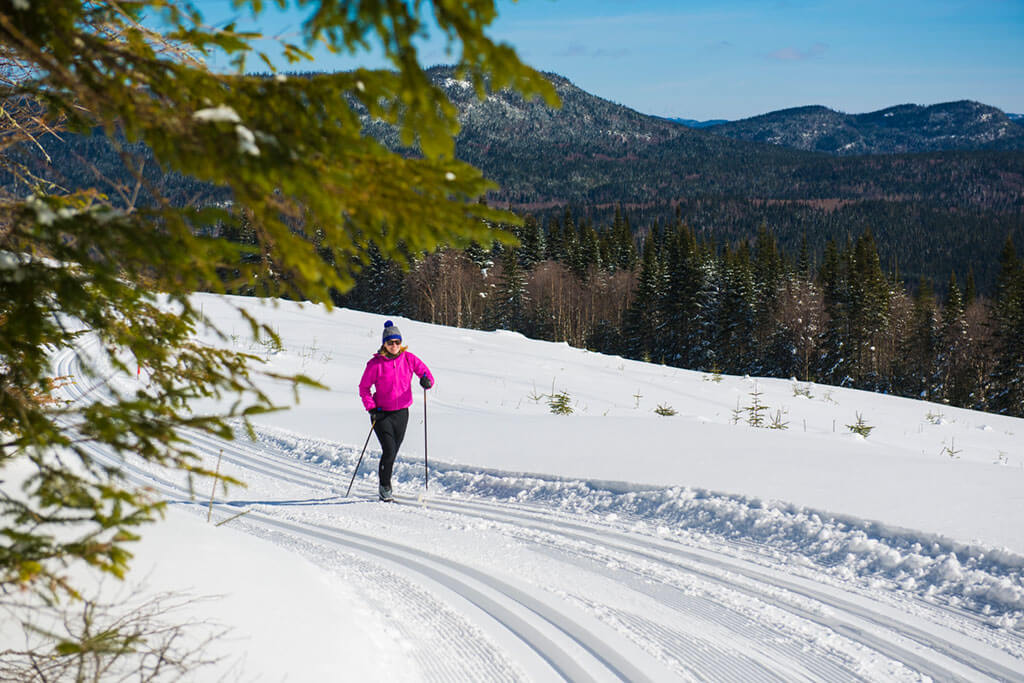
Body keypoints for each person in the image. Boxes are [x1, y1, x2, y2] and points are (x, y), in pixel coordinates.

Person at [358, 320, 434, 501]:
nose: (394, 346)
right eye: (391, 342)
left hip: (401, 413)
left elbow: (425, 373)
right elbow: (364, 388)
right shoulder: (375, 364)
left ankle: (385, 483)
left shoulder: (408, 358)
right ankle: (385, 487)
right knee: (389, 450)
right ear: (384, 343)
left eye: (397, 342)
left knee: (393, 451)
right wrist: (371, 408)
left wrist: (426, 381)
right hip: (381, 413)